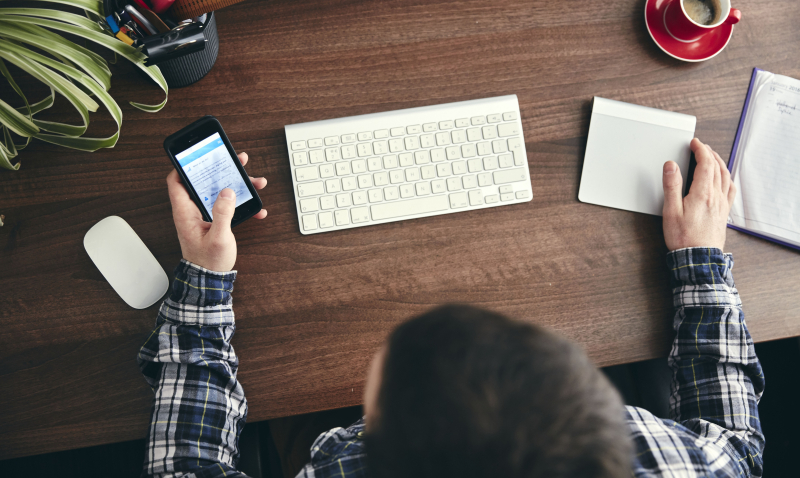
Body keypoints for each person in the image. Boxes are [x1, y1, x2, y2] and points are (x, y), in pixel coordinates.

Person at [139, 139, 764, 478]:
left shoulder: (342, 467)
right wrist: (701, 262)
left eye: (374, 392)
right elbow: (739, 447)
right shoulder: (675, 461)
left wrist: (205, 282)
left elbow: (186, 469)